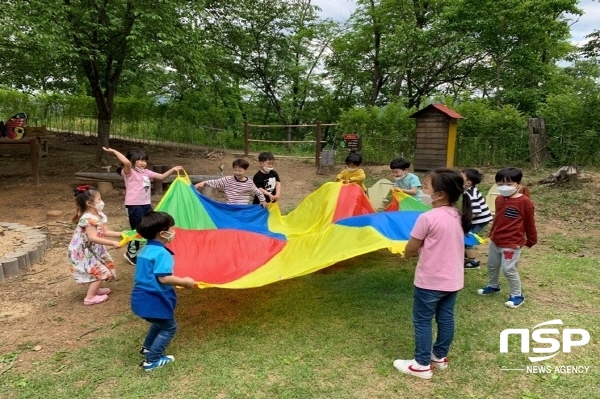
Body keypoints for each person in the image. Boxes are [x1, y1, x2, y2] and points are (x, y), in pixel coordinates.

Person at [393, 168, 472, 380]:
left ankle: (421, 364)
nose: (423, 191)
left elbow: (412, 245)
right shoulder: (458, 215)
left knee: (422, 320)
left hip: (430, 281)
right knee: (446, 319)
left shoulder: (427, 217)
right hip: (453, 281)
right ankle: (439, 356)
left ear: (440, 195)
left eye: (426, 188)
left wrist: (405, 255)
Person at [131, 211, 198, 371]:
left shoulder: (145, 250)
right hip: (154, 299)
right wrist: (185, 282)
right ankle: (151, 361)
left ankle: (147, 347)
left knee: (159, 322)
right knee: (169, 327)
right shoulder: (162, 253)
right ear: (163, 233)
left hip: (139, 298)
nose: (174, 232)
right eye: (171, 229)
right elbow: (164, 278)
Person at [102, 147, 183, 265]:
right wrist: (115, 151)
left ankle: (148, 250)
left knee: (150, 227)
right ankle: (131, 253)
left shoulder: (146, 172)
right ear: (133, 161)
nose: (144, 163)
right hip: (134, 205)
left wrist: (173, 169)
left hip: (146, 204)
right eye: (140, 160)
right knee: (137, 230)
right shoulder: (129, 172)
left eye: (145, 160)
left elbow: (161, 177)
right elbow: (126, 162)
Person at [477, 167, 537, 309]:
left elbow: (530, 222)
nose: (504, 187)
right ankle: (493, 286)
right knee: (492, 265)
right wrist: (492, 234)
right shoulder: (499, 199)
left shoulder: (525, 202)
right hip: (495, 240)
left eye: (509, 184)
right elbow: (498, 219)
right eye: (500, 184)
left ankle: (517, 295)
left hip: (512, 243)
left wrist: (532, 239)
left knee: (508, 268)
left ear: (519, 184)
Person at [68, 185, 123, 306]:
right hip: (85, 250)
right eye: (99, 199)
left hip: (93, 248)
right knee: (100, 272)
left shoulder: (98, 214)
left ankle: (95, 289)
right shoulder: (88, 218)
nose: (101, 202)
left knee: (102, 268)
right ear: (89, 203)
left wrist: (120, 234)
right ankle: (90, 297)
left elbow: (105, 232)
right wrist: (112, 243)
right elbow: (93, 237)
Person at [194, 158, 267, 207]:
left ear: (245, 170)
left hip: (242, 208)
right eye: (235, 170)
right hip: (229, 207)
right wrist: (201, 184)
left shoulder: (249, 183)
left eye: (240, 171)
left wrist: (262, 201)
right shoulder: (228, 180)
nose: (237, 172)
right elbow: (215, 182)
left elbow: (258, 192)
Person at [462, 168, 493, 269]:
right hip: (478, 219)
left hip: (480, 220)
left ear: (468, 182)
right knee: (466, 237)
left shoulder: (470, 194)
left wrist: (465, 223)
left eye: (461, 176)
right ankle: (466, 254)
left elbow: (476, 211)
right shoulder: (467, 190)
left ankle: (473, 263)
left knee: (468, 238)